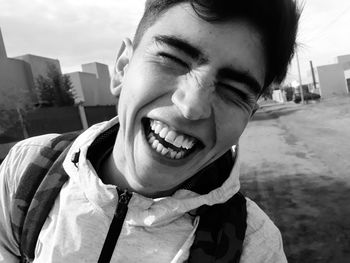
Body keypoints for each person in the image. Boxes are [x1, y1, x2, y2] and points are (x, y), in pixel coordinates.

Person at [0, 0, 300, 262]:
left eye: (233, 90)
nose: (191, 106)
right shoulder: (27, 174)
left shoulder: (252, 247)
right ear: (122, 68)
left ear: (249, 116)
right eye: (172, 59)